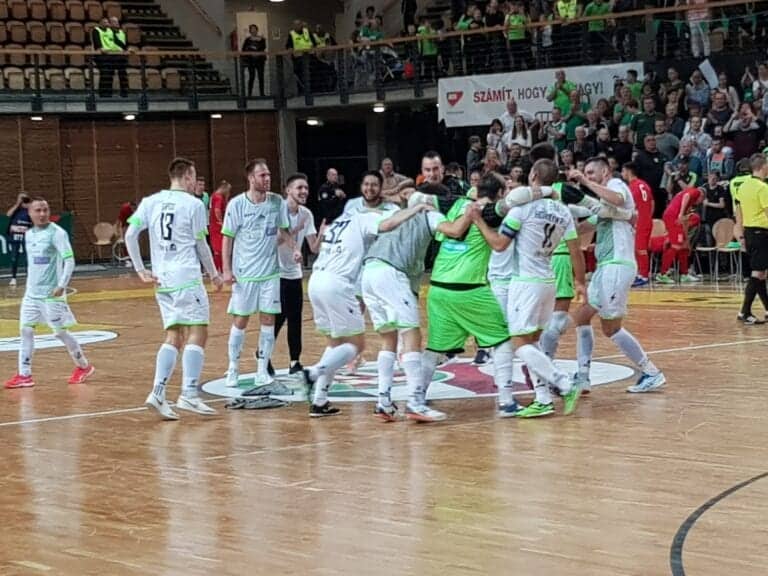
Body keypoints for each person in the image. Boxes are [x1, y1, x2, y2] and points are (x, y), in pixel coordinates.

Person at [303, 173, 433, 417]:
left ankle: (320, 400)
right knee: (356, 344)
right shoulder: (363, 218)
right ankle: (312, 373)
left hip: (316, 279)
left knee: (336, 343)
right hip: (339, 283)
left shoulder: (342, 219)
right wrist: (415, 208)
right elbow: (388, 224)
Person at [471, 160, 585, 417]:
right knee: (532, 344)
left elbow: (499, 245)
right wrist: (581, 282)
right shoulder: (563, 211)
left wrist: (479, 222)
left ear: (533, 175)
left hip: (525, 282)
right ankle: (543, 399)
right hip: (548, 280)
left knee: (520, 343)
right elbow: (575, 248)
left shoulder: (521, 209)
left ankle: (565, 384)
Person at [361, 185, 473, 421]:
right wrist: (471, 212)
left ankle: (383, 401)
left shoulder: (396, 213)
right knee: (412, 336)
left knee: (388, 339)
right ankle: (415, 401)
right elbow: (454, 230)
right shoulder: (430, 213)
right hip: (391, 273)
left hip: (369, 271)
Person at [125, 158, 223, 419]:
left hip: (162, 278)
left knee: (174, 335)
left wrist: (140, 269)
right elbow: (201, 245)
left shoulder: (150, 201)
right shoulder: (193, 204)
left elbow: (129, 235)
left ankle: (158, 393)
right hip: (186, 277)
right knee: (198, 332)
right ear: (188, 176)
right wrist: (214, 274)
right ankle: (189, 394)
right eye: (195, 177)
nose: (196, 182)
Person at [569, 157, 666, 394]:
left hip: (618, 265)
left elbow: (618, 199)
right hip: (605, 267)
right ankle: (583, 376)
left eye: (592, 172)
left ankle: (651, 371)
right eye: (586, 173)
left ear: (606, 171)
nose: (588, 176)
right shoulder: (605, 206)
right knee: (582, 317)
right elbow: (584, 226)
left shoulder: (617, 186)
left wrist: (583, 183)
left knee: (610, 327)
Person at [4, 198, 95, 389]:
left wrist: (62, 284)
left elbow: (69, 261)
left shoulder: (57, 233)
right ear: (30, 213)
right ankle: (24, 374)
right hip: (31, 294)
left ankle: (83, 366)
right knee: (25, 330)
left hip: (51, 294)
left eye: (45, 210)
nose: (42, 214)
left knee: (60, 333)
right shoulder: (29, 235)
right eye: (38, 210)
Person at [222, 159, 298, 389]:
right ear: (251, 178)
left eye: (268, 175)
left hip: (269, 273)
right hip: (244, 273)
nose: (267, 179)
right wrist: (226, 269)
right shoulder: (236, 205)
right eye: (262, 175)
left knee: (268, 319)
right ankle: (233, 368)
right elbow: (228, 238)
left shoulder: (277, 202)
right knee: (241, 320)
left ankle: (262, 369)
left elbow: (284, 230)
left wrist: (294, 248)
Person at [273, 173, 323, 375]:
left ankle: (295, 361)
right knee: (278, 317)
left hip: (294, 273)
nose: (304, 191)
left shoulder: (306, 214)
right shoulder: (277, 211)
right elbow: (274, 241)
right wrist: (295, 231)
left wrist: (322, 234)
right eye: (299, 188)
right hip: (275, 272)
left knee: (295, 318)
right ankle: (263, 356)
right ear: (288, 190)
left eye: (306, 188)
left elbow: (313, 248)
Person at [733, 153, 768, 325]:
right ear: (762, 167)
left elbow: (738, 215)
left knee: (761, 272)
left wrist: (741, 236)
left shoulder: (743, 187)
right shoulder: (763, 188)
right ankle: (744, 311)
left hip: (748, 232)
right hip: (761, 233)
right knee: (758, 273)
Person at [655, 186, 703, 284]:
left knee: (683, 247)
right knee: (676, 246)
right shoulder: (696, 192)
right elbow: (686, 196)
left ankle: (684, 274)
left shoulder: (688, 206)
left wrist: (687, 240)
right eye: (701, 200)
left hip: (673, 217)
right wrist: (681, 214)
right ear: (701, 196)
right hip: (673, 217)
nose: (699, 203)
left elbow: (685, 225)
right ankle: (662, 274)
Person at [623, 162, 654, 286]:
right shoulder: (644, 185)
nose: (622, 174)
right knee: (639, 249)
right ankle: (640, 273)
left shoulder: (632, 187)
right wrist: (647, 215)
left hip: (640, 221)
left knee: (640, 249)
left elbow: (630, 206)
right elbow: (652, 203)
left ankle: (644, 276)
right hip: (646, 219)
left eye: (623, 171)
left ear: (629, 171)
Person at [6, 193, 31, 287]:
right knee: (14, 257)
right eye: (22, 199)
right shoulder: (16, 209)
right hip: (14, 236)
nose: (23, 201)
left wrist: (29, 206)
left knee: (27, 257)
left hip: (26, 236)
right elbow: (8, 214)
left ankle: (29, 277)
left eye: (25, 199)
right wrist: (17, 203)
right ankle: (13, 278)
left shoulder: (29, 209)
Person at [209, 180, 231, 272]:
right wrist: (221, 221)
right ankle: (221, 269)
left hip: (213, 225)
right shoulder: (219, 197)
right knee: (220, 249)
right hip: (217, 227)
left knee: (217, 250)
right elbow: (217, 210)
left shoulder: (214, 195)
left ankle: (217, 270)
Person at [242, 24, 267, 97]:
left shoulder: (262, 39)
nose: (253, 30)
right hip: (251, 61)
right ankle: (249, 94)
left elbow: (263, 47)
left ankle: (262, 93)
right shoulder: (247, 39)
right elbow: (243, 49)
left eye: (254, 29)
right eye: (252, 29)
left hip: (260, 60)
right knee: (251, 77)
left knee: (261, 77)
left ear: (257, 29)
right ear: (250, 31)